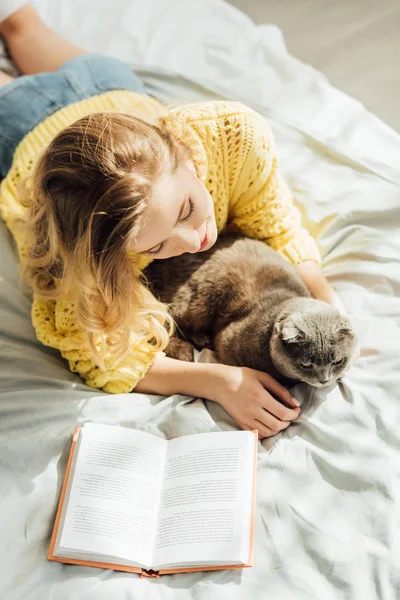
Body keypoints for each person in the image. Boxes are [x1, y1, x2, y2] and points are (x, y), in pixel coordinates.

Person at [0, 2, 347, 438]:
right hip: (20, 123)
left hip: (108, 86)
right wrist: (220, 381)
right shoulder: (80, 263)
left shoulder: (231, 136)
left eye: (185, 209)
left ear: (182, 153)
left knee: (19, 24)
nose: (196, 240)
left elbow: (273, 218)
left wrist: (325, 298)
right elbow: (102, 356)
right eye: (156, 247)